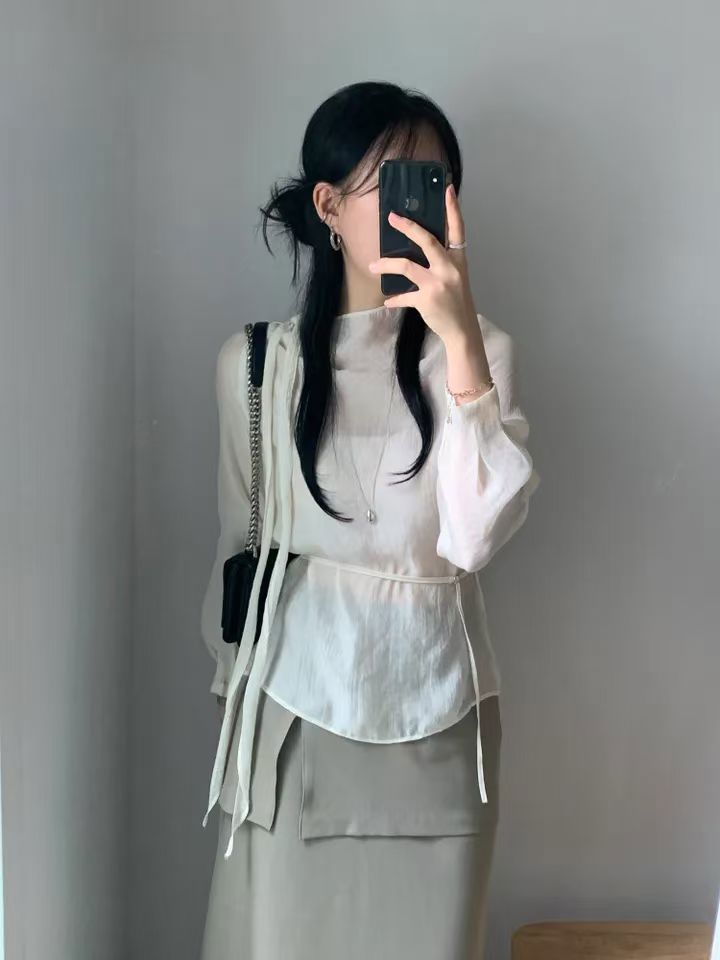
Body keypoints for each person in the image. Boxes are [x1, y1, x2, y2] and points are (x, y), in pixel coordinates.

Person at [199, 79, 540, 960]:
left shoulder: (482, 355)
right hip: (291, 724)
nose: (419, 204)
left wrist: (460, 343)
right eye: (394, 180)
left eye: (436, 183)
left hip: (439, 728)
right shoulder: (257, 367)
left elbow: (473, 540)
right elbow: (241, 553)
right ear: (329, 206)